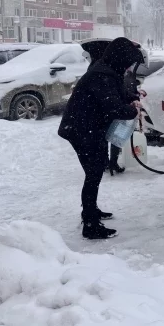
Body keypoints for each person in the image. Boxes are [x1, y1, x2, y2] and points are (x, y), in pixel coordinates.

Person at [58, 37, 143, 240]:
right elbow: (112, 106)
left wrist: (132, 98)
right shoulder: (101, 75)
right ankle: (90, 224)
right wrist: (131, 111)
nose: (129, 67)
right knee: (94, 173)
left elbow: (119, 94)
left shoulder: (108, 70)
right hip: (81, 129)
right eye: (128, 62)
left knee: (95, 171)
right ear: (120, 58)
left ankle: (91, 211)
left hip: (90, 128)